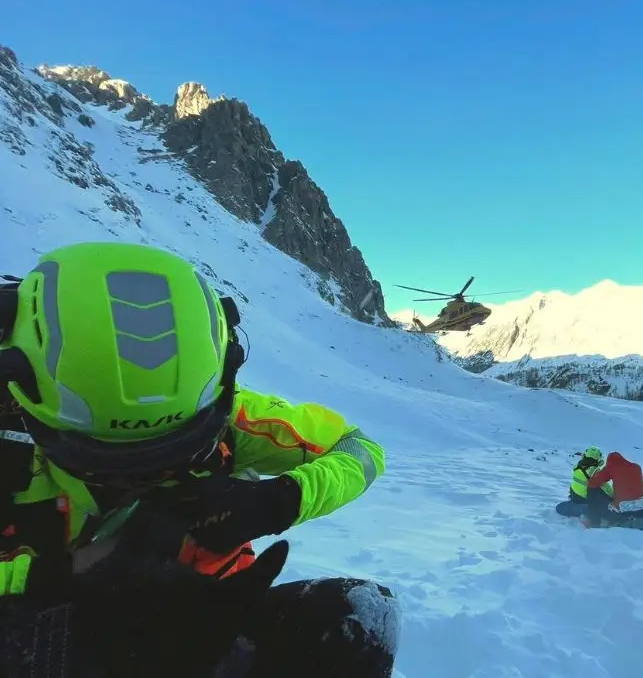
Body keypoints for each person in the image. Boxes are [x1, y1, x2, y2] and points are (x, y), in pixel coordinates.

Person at [0, 242, 398, 677]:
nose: (136, 477)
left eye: (175, 451)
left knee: (360, 618)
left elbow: (358, 449)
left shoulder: (227, 414)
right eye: (99, 459)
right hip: (45, 635)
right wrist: (59, 577)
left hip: (208, 626)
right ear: (24, 398)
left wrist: (283, 498)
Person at [584, 451, 643, 528]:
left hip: (623, 511)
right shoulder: (636, 467)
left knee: (592, 490)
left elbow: (593, 483)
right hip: (642, 509)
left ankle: (594, 522)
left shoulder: (611, 467)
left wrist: (597, 473)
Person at [554, 446, 614, 518]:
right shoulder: (594, 471)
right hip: (586, 499)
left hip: (574, 496)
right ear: (598, 458)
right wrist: (613, 496)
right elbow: (605, 487)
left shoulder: (577, 467)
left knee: (560, 507)